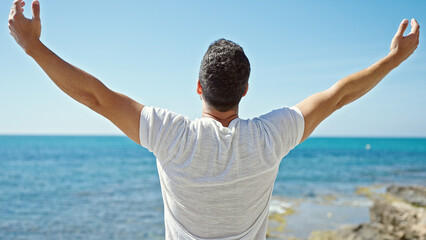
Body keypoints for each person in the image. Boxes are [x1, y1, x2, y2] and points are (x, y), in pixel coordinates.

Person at [8, 0, 420, 239]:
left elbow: (95, 97)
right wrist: (394, 59)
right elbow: (338, 97)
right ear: (245, 90)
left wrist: (32, 47)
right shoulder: (270, 137)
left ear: (199, 88)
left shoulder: (172, 136)